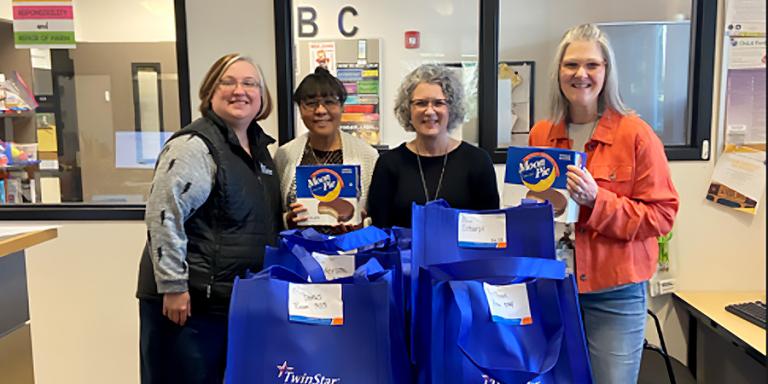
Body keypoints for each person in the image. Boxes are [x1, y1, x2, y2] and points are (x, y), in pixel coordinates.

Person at [528, 24, 679, 384]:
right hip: (553, 286)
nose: (581, 74)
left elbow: (662, 216)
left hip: (615, 293)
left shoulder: (636, 135)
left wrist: (598, 201)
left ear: (606, 72)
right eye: (571, 65)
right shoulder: (541, 134)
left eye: (592, 65)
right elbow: (539, 207)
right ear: (559, 73)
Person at [136, 53, 281, 384]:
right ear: (210, 92)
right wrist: (173, 286)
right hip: (189, 307)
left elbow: (247, 215)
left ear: (263, 96)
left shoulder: (258, 148)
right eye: (227, 82)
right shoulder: (195, 146)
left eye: (249, 83)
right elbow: (163, 212)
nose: (239, 90)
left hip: (229, 302)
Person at [368, 64, 499, 228]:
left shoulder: (477, 161)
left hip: (463, 254)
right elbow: (380, 230)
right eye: (421, 103)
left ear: (452, 108)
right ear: (408, 110)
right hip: (405, 254)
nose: (430, 111)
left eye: (438, 103)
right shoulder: (388, 164)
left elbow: (491, 228)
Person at [275, 66, 379, 233]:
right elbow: (273, 213)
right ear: (300, 109)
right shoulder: (285, 155)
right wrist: (288, 220)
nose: (320, 111)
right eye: (310, 104)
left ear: (342, 107)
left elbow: (379, 216)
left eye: (329, 102)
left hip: (351, 253)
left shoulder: (367, 155)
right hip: (299, 253)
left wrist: (362, 225)